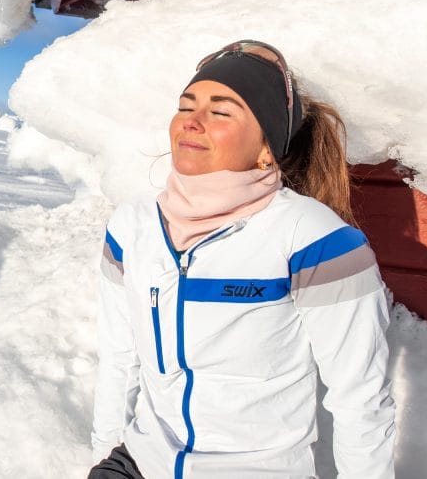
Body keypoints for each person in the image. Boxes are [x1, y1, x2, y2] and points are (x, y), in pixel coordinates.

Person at [89, 40, 395, 478]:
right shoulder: (131, 227)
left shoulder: (315, 239)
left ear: (265, 147)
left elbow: (361, 397)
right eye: (186, 105)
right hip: (141, 463)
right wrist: (104, 456)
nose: (192, 122)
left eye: (221, 111)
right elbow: (120, 358)